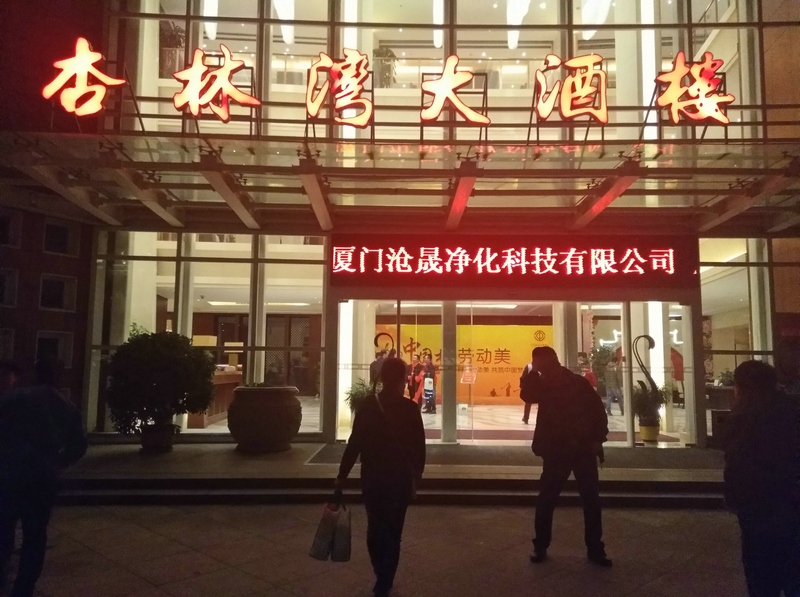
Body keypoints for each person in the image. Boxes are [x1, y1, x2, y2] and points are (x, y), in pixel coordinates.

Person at [335, 358, 426, 597]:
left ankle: (381, 573)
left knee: (375, 526)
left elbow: (354, 443)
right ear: (403, 379)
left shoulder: (368, 405)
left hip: (373, 477)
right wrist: (416, 477)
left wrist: (341, 476)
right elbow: (419, 448)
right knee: (394, 530)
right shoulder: (409, 409)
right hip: (399, 479)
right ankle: (386, 577)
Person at [0, 358, 88, 597]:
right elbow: (79, 444)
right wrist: (56, 463)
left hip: (8, 474)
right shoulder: (65, 405)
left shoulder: (14, 398)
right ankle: (23, 588)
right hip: (41, 478)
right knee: (35, 536)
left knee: (4, 529)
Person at [520, 346, 611, 567]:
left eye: (542, 363)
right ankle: (546, 545)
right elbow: (527, 395)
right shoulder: (548, 383)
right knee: (554, 499)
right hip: (562, 450)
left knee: (582, 500)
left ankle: (590, 548)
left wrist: (597, 439)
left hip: (577, 449)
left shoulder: (575, 383)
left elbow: (597, 411)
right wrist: (534, 373)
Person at [723, 360, 800, 597]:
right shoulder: (792, 411)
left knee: (761, 576)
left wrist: (735, 499)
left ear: (740, 387)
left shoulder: (742, 418)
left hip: (757, 509)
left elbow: (736, 465)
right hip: (791, 505)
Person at [520, 358, 535, 424]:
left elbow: (523, 377)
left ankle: (526, 418)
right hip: (540, 387)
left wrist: (522, 386)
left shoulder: (529, 366)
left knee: (528, 403)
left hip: (530, 388)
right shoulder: (544, 366)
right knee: (542, 404)